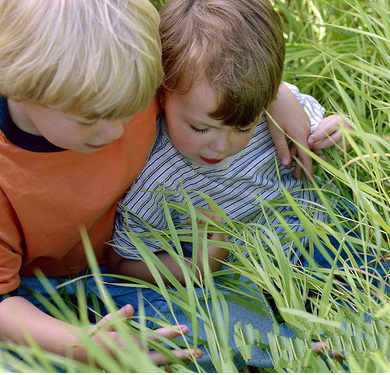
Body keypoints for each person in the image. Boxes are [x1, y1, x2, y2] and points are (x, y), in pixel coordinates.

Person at [108, 0, 352, 371]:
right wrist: (198, 266)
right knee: (224, 328)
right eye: (200, 128)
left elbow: (325, 141)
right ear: (162, 94)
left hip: (314, 240)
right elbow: (122, 262)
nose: (222, 147)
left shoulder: (271, 110)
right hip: (239, 274)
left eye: (242, 128)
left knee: (359, 262)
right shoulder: (158, 180)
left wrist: (342, 132)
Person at [0, 0, 203, 368]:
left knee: (204, 339)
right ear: (18, 88)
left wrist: (278, 97)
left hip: (128, 258)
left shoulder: (125, 77)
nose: (115, 131)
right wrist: (79, 345)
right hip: (34, 291)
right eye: (90, 119)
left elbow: (211, 83)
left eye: (130, 109)